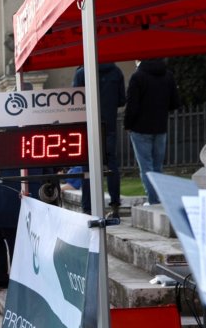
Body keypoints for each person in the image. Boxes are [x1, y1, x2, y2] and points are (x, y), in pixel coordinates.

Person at [124, 58, 181, 206]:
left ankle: (153, 200)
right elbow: (175, 102)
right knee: (157, 167)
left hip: (140, 128)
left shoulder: (137, 76)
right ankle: (158, 198)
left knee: (146, 168)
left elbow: (132, 105)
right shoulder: (168, 75)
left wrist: (127, 124)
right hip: (160, 126)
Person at [73, 63, 125, 217]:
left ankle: (87, 207)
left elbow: (75, 99)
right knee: (111, 164)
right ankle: (115, 205)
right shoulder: (116, 72)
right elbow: (122, 100)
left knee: (87, 166)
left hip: (88, 125)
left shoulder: (81, 73)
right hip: (108, 125)